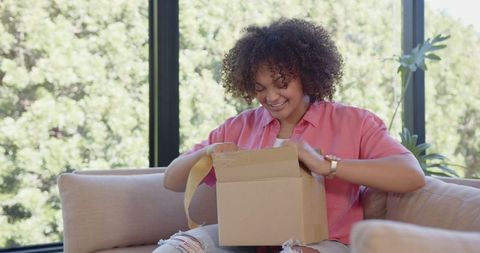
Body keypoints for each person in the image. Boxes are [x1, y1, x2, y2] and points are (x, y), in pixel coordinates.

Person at [154, 18, 426, 253]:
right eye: (260, 88)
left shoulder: (353, 122)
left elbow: (411, 174)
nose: (271, 97)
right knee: (178, 248)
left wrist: (327, 166)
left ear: (307, 75)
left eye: (282, 84)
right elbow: (172, 180)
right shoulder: (239, 127)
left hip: (324, 242)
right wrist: (207, 152)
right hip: (246, 242)